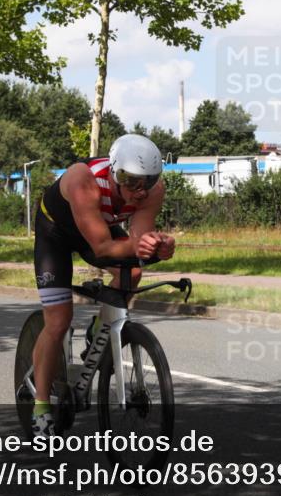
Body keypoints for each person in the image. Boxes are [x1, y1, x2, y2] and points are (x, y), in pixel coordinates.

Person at [31, 134, 176, 437]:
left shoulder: (152, 192)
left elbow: (138, 244)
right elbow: (102, 250)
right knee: (58, 322)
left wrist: (157, 246)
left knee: (133, 272)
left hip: (94, 226)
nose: (139, 191)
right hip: (56, 234)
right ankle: (41, 405)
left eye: (148, 181)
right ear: (113, 171)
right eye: (130, 180)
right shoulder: (82, 181)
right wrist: (142, 247)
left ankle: (99, 330)